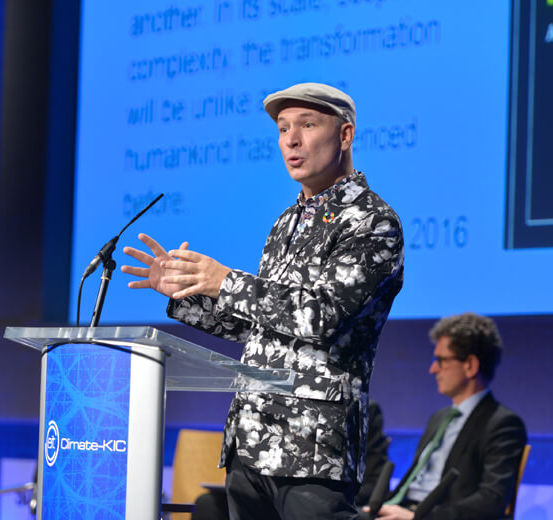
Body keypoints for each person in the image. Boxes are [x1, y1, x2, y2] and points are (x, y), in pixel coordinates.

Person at [121, 82, 404, 519]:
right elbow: (261, 328)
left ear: (345, 135)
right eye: (283, 128)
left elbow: (320, 317)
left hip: (311, 448)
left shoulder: (372, 222)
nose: (291, 140)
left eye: (307, 125)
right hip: (250, 441)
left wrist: (225, 281)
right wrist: (187, 293)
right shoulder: (285, 222)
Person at [366, 312, 526, 520]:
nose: (433, 369)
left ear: (470, 365)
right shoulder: (439, 418)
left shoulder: (503, 424)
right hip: (399, 508)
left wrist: (417, 518)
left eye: (441, 360)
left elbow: (492, 500)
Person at [191, 400, 390, 520]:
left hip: (320, 488)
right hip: (258, 475)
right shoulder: (264, 406)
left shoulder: (359, 410)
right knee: (209, 503)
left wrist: (347, 498)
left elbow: (372, 480)